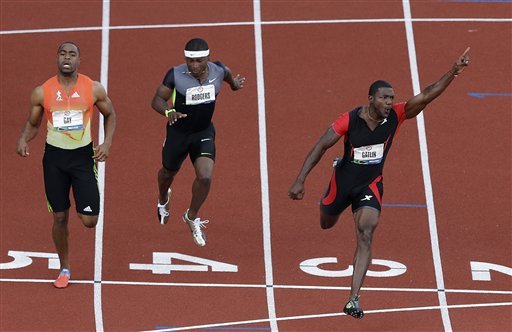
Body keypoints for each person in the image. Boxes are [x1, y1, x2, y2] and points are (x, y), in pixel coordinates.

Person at [288, 48, 470, 318]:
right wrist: (300, 179)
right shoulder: (349, 119)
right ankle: (333, 198)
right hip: (342, 182)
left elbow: (428, 94)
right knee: (326, 223)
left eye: (392, 98)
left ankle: (353, 298)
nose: (389, 102)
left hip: (370, 184)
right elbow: (321, 146)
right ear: (371, 99)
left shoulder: (397, 115)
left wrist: (452, 72)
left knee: (366, 232)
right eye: (384, 98)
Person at [16, 41, 116, 289]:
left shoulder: (93, 89)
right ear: (57, 58)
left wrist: (106, 143)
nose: (67, 58)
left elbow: (110, 114)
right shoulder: (43, 91)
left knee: (89, 221)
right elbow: (33, 122)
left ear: (79, 60)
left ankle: (85, 202)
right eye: (62, 53)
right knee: (59, 217)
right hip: (54, 161)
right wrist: (23, 138)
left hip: (82, 158)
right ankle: (64, 267)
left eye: (72, 54)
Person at [151, 38, 245, 247]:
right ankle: (163, 198)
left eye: (199, 61)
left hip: (203, 132)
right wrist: (168, 111)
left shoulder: (219, 70)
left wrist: (235, 85)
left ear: (208, 59)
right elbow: (156, 100)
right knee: (167, 174)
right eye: (190, 61)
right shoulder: (175, 74)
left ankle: (191, 216)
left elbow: (229, 78)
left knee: (205, 177)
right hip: (178, 133)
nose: (194, 66)